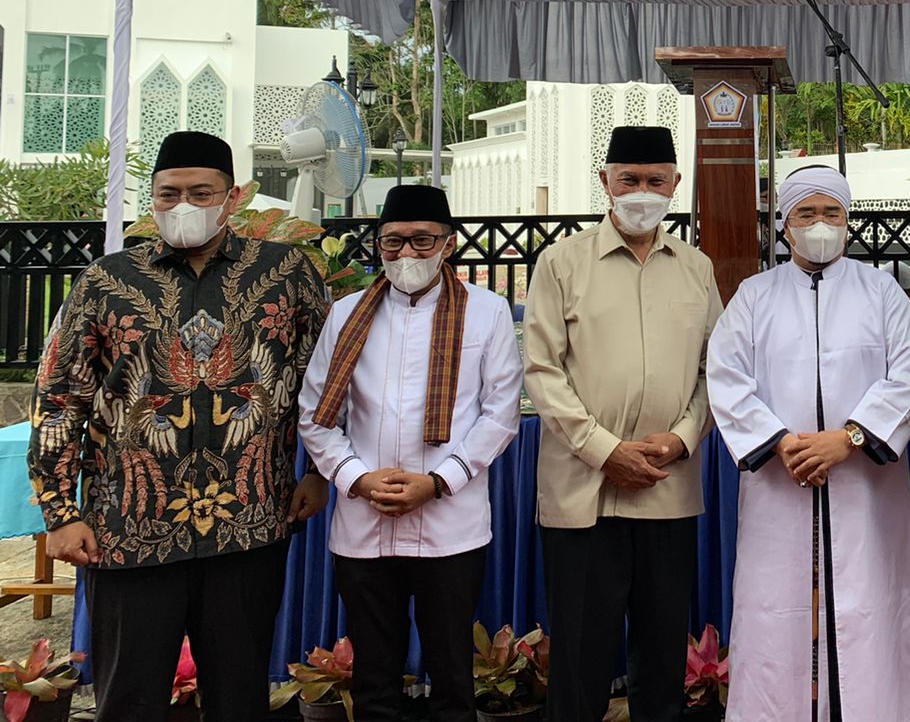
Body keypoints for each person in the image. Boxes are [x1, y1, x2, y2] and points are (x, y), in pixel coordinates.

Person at [28, 131, 329, 719]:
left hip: (248, 521)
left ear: (233, 196)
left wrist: (317, 473)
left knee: (239, 696)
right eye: (168, 195)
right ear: (153, 197)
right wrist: (61, 514)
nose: (183, 206)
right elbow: (60, 397)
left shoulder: (286, 272)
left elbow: (323, 386)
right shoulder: (107, 280)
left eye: (200, 192)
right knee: (131, 698)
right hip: (131, 526)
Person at [707, 166, 910, 722]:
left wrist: (850, 438)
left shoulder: (883, 291)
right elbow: (725, 376)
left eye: (831, 213)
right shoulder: (753, 296)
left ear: (848, 220)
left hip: (866, 483)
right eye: (806, 214)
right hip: (780, 481)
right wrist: (782, 443)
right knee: (776, 611)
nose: (820, 225)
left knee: (876, 602)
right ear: (784, 225)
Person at [299, 184, 521, 722]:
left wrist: (438, 481)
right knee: (375, 674)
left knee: (451, 673)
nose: (407, 255)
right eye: (393, 242)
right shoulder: (346, 314)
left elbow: (501, 413)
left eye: (422, 241)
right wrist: (357, 479)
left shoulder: (487, 313)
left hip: (451, 523)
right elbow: (315, 413)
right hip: (363, 519)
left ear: (448, 244)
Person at [523, 126, 722, 722]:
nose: (642, 192)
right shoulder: (561, 263)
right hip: (584, 494)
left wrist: (684, 437)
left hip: (667, 489)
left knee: (662, 660)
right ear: (604, 182)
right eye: (629, 180)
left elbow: (718, 370)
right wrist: (605, 450)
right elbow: (541, 369)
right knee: (581, 661)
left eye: (655, 180)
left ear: (675, 185)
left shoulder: (697, 267)